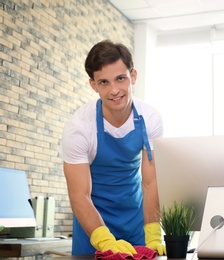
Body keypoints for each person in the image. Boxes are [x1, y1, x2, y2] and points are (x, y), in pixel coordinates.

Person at [60, 40, 165, 256]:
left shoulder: (150, 119)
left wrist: (153, 233)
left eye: (120, 79)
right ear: (93, 85)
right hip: (93, 224)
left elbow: (150, 180)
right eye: (104, 82)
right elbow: (80, 195)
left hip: (135, 220)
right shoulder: (79, 128)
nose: (114, 90)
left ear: (133, 76)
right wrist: (104, 240)